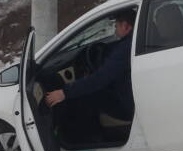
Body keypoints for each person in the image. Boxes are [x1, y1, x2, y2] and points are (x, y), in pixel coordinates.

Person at [45, 9, 136, 141]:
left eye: (116, 25)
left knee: (81, 99)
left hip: (126, 105)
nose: (115, 29)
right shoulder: (131, 42)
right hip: (128, 94)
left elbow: (99, 79)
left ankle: (84, 139)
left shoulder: (125, 49)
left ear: (126, 26)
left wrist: (64, 93)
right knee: (89, 92)